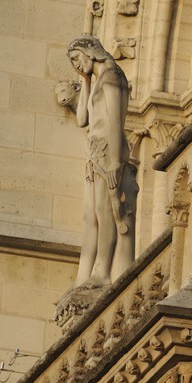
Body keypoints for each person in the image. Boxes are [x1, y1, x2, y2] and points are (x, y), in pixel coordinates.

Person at [66, 37, 137, 290]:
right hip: (94, 153)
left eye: (77, 58)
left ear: (90, 51)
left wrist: (117, 161)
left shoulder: (112, 76)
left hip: (108, 151)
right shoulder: (98, 80)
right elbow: (82, 119)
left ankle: (103, 272)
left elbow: (116, 120)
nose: (76, 64)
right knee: (91, 215)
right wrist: (85, 81)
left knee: (104, 210)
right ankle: (83, 276)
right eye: (73, 62)